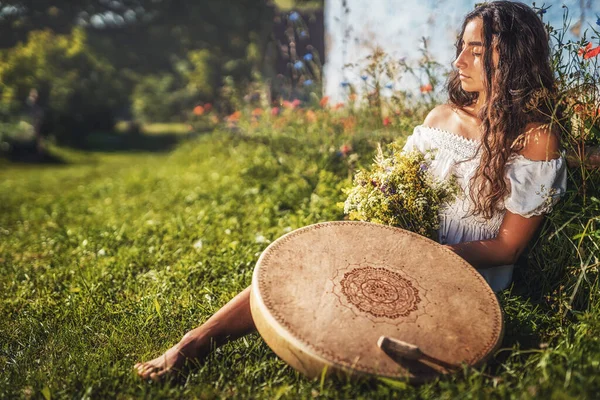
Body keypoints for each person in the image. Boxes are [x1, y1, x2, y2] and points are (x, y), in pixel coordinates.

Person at [134, 1, 567, 381]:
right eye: (461, 47)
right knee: (313, 259)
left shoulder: (535, 139)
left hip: (464, 273)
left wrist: (433, 259)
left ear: (511, 56)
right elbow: (399, 184)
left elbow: (508, 247)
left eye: (476, 50)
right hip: (402, 246)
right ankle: (196, 341)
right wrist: (380, 204)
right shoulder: (440, 118)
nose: (459, 61)